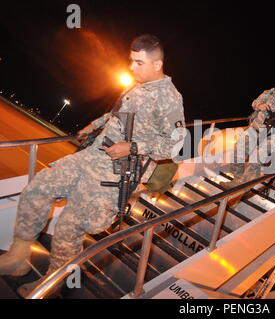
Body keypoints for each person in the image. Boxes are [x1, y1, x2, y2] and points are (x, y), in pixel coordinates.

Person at [0, 34, 185, 296]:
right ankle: (17, 258)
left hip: (115, 173)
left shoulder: (170, 98)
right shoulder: (135, 86)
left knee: (69, 227)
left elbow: (175, 144)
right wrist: (94, 125)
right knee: (38, 188)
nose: (132, 68)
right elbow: (115, 113)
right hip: (92, 156)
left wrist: (131, 147)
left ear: (157, 64)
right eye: (131, 61)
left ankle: (51, 284)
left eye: (138, 63)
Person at [221, 65, 275, 188]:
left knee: (256, 159)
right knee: (238, 153)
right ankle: (237, 180)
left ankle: (241, 188)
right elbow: (255, 102)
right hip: (256, 128)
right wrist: (259, 105)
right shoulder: (272, 91)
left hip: (274, 134)